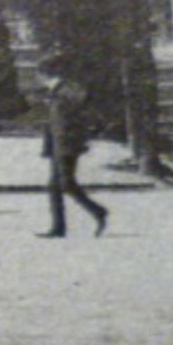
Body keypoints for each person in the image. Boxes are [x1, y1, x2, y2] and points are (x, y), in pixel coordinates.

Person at [37, 50, 108, 238]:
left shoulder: (67, 89)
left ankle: (98, 211)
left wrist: (87, 131)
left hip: (68, 143)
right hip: (57, 143)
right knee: (55, 186)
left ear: (46, 73)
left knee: (66, 184)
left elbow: (88, 108)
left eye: (40, 73)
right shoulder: (55, 91)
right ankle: (58, 228)